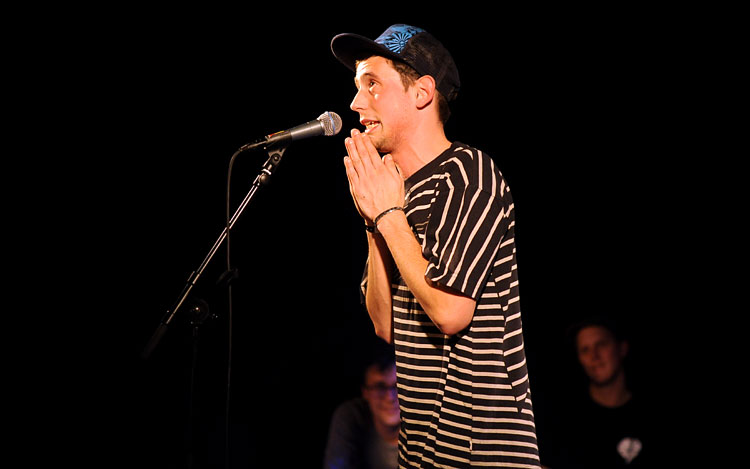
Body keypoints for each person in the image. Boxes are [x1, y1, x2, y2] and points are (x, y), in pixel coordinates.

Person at [331, 24, 540, 467]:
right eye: (357, 87)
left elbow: (450, 311)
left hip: (483, 453)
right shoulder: (393, 193)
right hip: (420, 452)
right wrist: (373, 221)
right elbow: (385, 326)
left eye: (372, 84)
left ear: (423, 93)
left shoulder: (468, 172)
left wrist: (388, 215)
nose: (355, 103)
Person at [546, 315, 653, 468]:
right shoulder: (563, 419)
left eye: (601, 345)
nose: (594, 356)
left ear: (622, 348)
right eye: (585, 350)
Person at [324, 344, 400, 469]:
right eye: (380, 387)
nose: (390, 397)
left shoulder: (426, 425)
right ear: (365, 392)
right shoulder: (352, 416)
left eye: (397, 386)